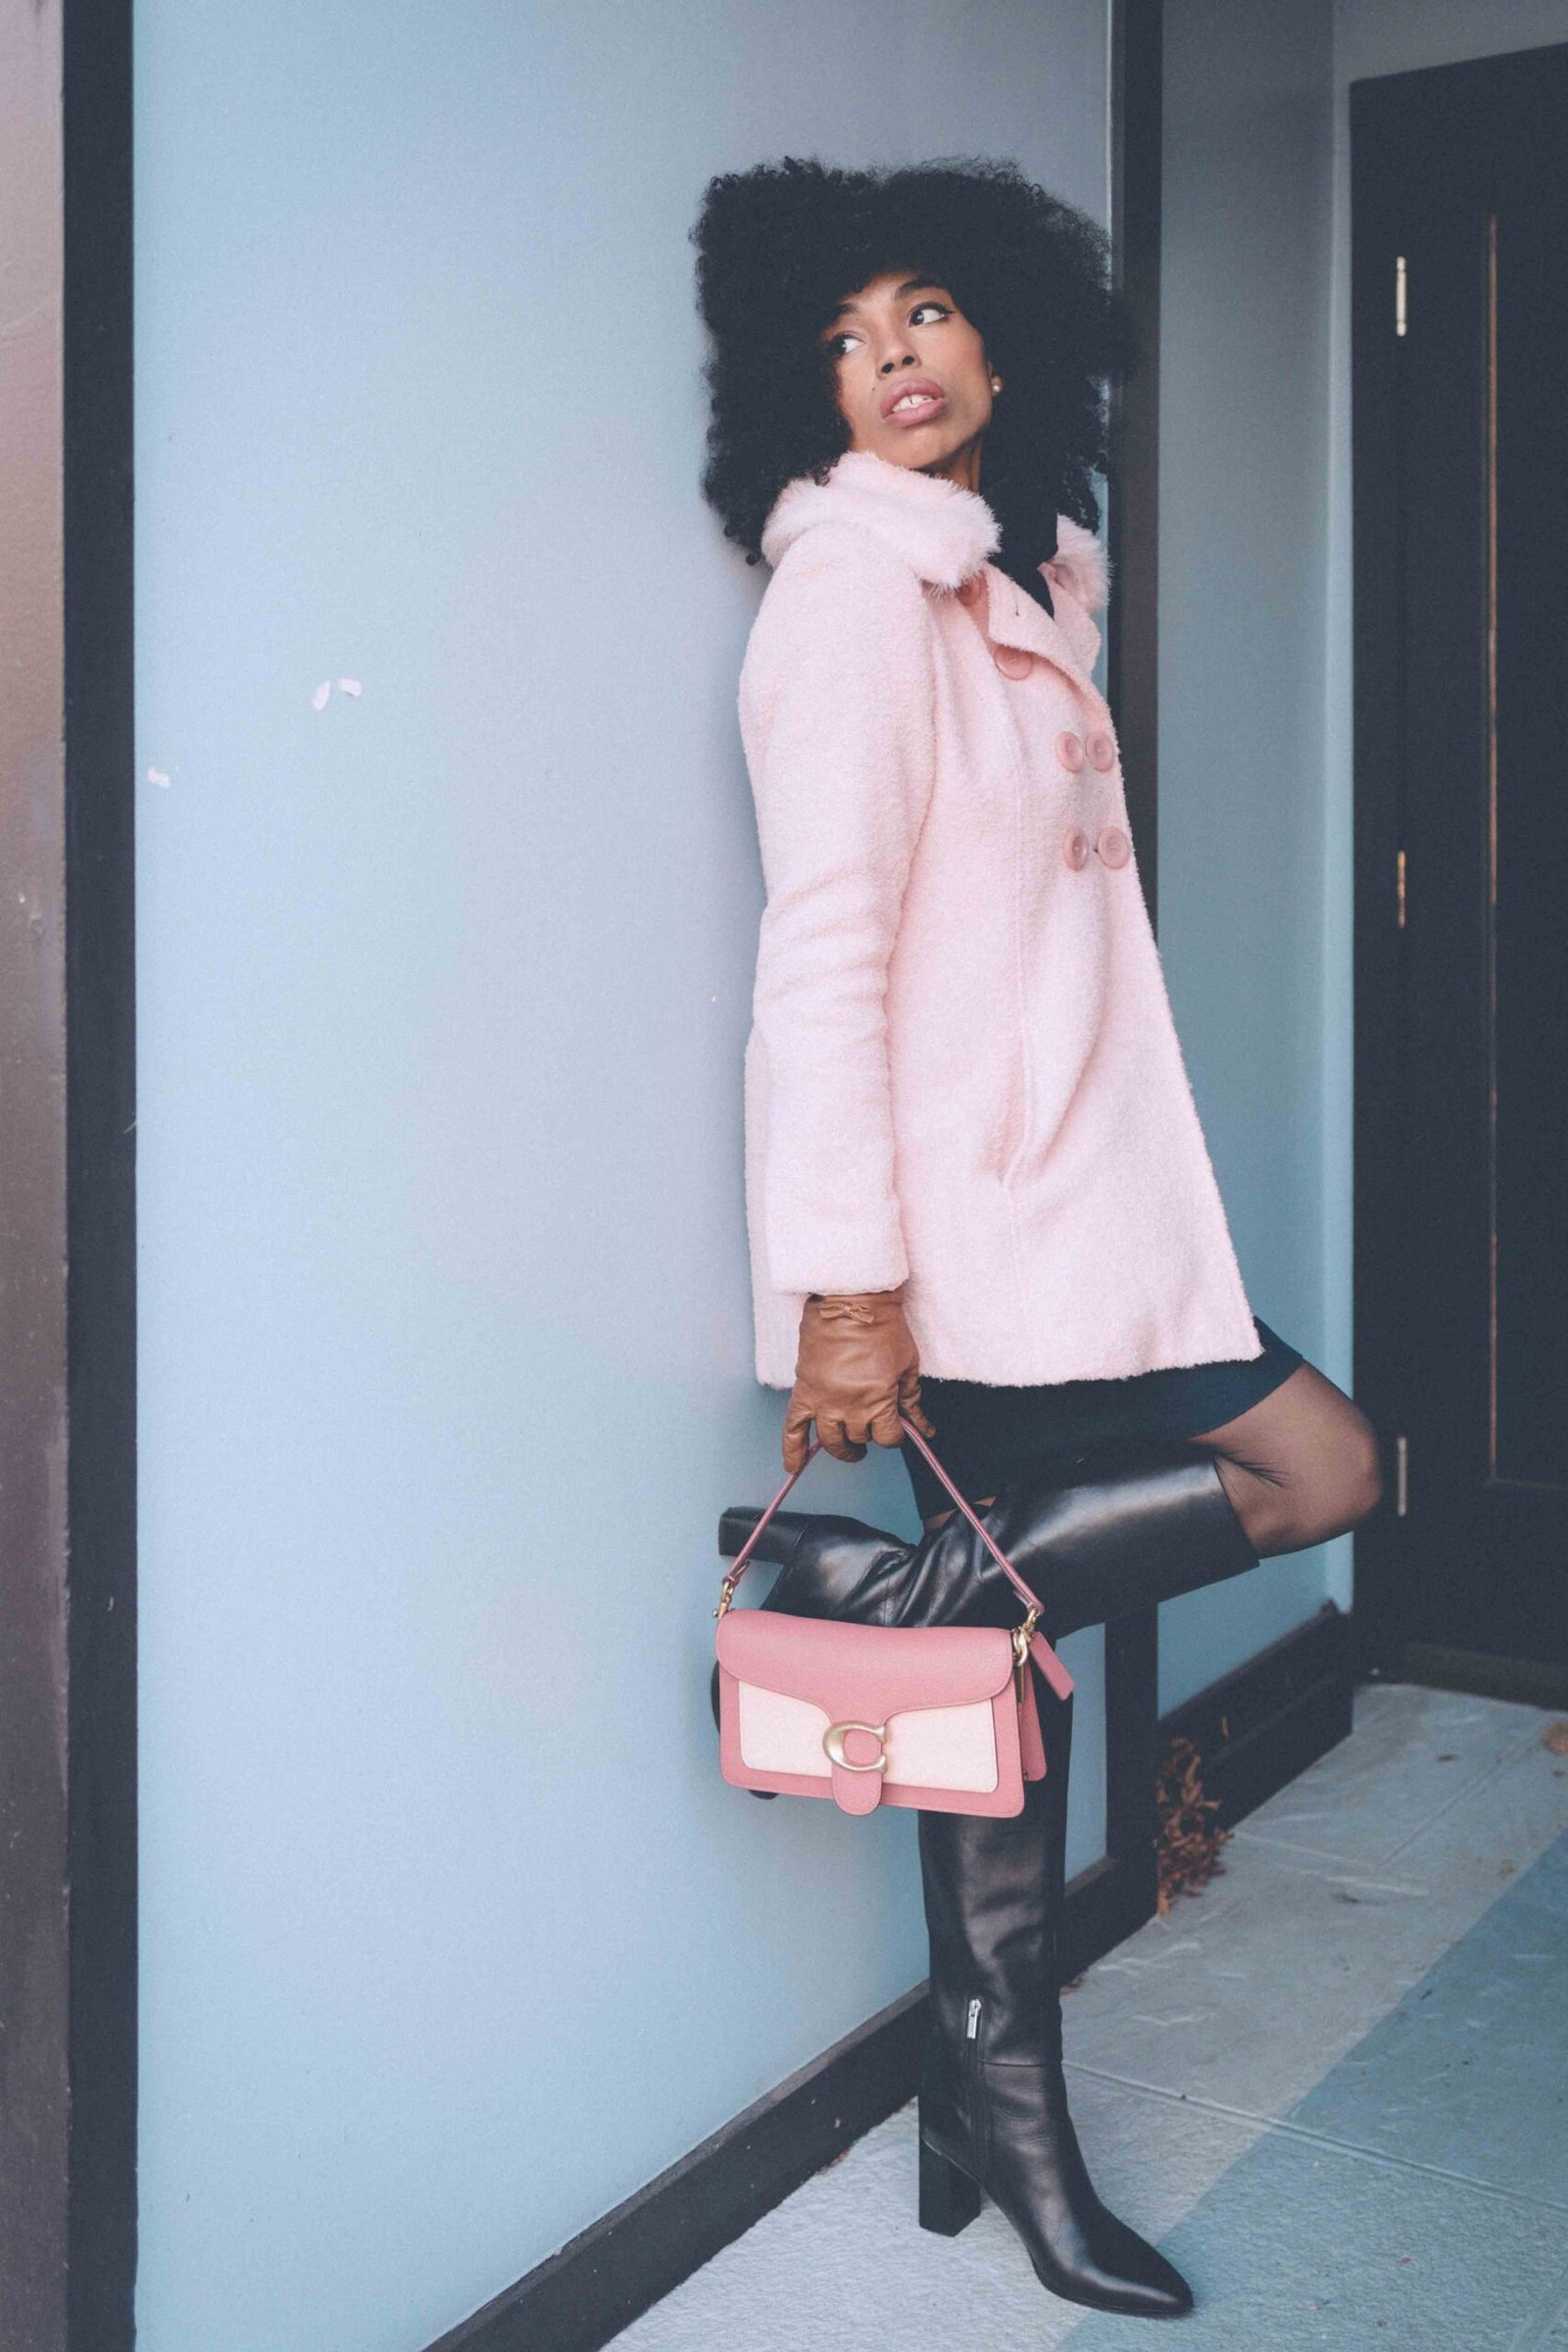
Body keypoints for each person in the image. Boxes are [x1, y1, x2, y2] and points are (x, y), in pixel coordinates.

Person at [694, 156, 1383, 2323]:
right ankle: (1007, 2109)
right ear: (799, 390)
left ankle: (907, 1632)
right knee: (1194, 1565)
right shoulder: (849, 600)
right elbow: (820, 961)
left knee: (1072, 1621)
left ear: (1005, 334)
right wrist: (848, 1285)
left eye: (923, 311)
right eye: (842, 338)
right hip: (966, 1243)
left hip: (1081, 1210)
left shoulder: (1025, 583)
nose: (891, 360)